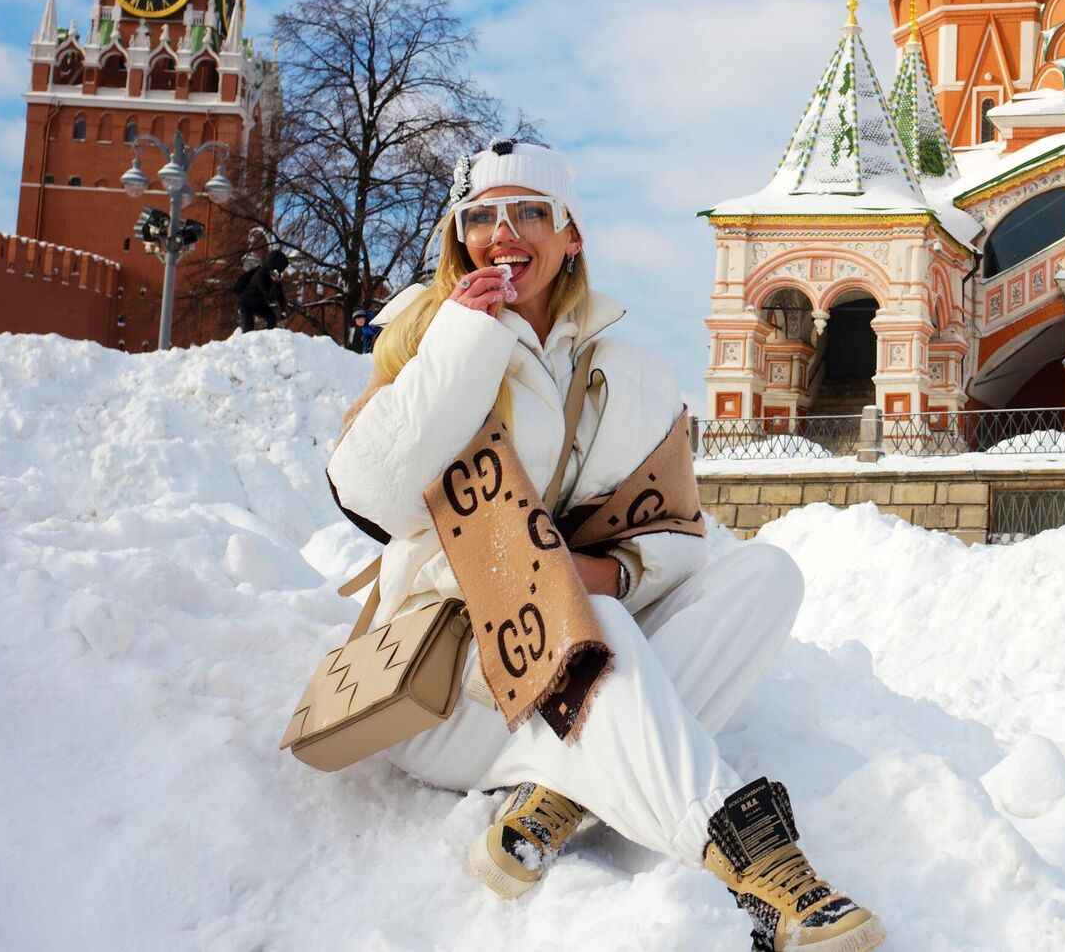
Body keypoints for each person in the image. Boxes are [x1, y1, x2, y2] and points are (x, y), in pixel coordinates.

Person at [323, 141, 883, 950]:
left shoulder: (620, 364)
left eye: (528, 212)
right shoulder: (424, 336)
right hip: (444, 688)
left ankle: (559, 795)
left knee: (766, 575)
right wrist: (464, 342)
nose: (502, 231)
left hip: (555, 684)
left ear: (571, 233)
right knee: (597, 626)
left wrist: (613, 568)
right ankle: (759, 862)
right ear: (459, 236)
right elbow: (371, 496)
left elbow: (680, 536)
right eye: (479, 215)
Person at [235, 249, 287, 332]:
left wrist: (283, 311)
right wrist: (275, 283)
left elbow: (280, 296)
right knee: (248, 329)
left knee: (272, 319)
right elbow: (269, 297)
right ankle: (245, 344)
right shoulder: (261, 274)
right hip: (246, 303)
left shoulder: (274, 277)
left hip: (259, 304)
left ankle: (267, 340)